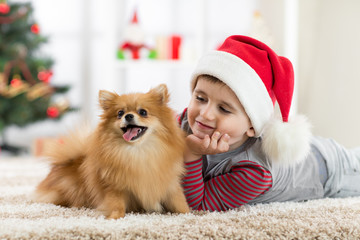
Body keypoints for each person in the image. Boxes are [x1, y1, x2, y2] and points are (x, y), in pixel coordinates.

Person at [178, 35, 360, 212]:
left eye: (224, 109)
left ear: (252, 126)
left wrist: (192, 153)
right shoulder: (187, 122)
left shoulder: (255, 170)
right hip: (315, 151)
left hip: (334, 171)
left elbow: (197, 206)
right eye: (200, 98)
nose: (205, 113)